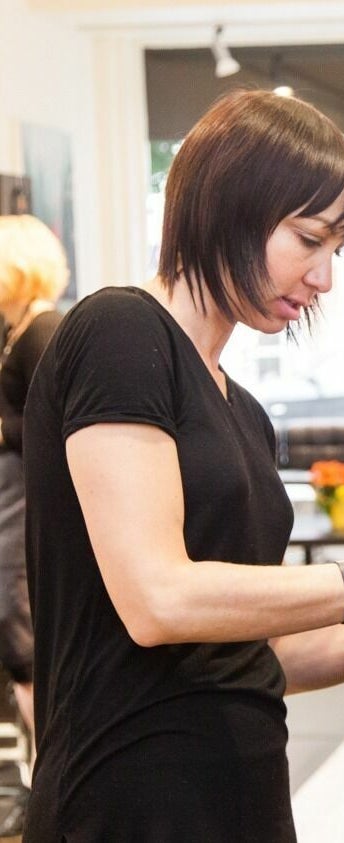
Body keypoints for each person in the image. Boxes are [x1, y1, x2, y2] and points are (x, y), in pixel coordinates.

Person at [21, 90, 344, 842]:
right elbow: (158, 599)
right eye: (309, 239)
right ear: (226, 208)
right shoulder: (120, 334)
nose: (325, 278)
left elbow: (270, 655)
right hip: (127, 803)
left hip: (242, 795)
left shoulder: (243, 411)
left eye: (337, 249)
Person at [0, 215, 68, 797]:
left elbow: (52, 428)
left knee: (20, 632)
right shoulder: (20, 329)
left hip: (21, 501)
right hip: (12, 497)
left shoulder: (43, 329)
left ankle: (57, 770)